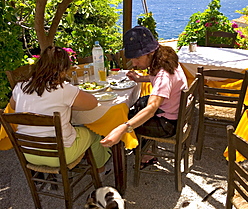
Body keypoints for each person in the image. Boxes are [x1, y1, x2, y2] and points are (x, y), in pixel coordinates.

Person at [9, 46, 111, 175]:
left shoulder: (21, 87)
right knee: (94, 133)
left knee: (68, 128)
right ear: (63, 69)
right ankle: (100, 170)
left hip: (28, 153)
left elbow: (12, 106)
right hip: (60, 156)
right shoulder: (63, 89)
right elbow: (92, 103)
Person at [100, 26, 188, 168]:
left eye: (137, 58)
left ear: (151, 52)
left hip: (167, 124)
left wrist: (123, 128)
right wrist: (141, 79)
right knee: (138, 105)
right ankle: (142, 149)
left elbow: (152, 108)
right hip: (175, 113)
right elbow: (161, 82)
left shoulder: (163, 76)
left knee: (124, 120)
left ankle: (143, 157)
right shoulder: (165, 57)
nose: (134, 63)